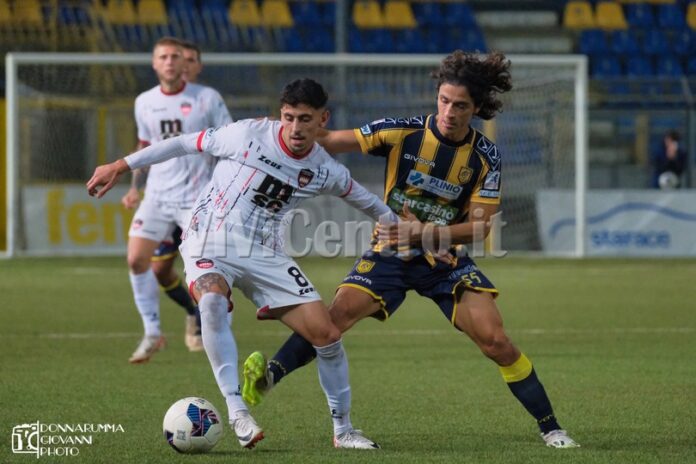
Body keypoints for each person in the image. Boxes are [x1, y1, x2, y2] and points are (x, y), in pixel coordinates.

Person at [242, 50, 580, 449]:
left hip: (446, 261)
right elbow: (330, 139)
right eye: (443, 100)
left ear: (476, 109)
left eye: (460, 106)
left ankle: (551, 427)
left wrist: (423, 234)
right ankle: (268, 378)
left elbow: (479, 228)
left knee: (496, 342)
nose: (449, 111)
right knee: (332, 322)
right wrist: (279, 129)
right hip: (389, 255)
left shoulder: (486, 157)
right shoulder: (402, 132)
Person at [87, 78, 392, 450]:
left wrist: (418, 236)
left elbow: (373, 205)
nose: (295, 128)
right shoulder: (246, 134)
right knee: (212, 302)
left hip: (265, 252)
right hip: (209, 236)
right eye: (289, 117)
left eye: (305, 119)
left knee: (326, 335)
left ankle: (343, 432)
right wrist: (121, 164)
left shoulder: (326, 170)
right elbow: (183, 143)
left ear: (322, 119)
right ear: (281, 114)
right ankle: (237, 410)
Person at [119, 37, 232, 363]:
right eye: (163, 57)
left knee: (205, 269)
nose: (169, 62)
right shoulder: (144, 102)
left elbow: (228, 143)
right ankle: (152, 332)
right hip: (157, 195)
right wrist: (134, 186)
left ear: (186, 64)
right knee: (136, 260)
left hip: (197, 200)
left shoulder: (207, 98)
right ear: (154, 63)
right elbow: (145, 147)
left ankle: (213, 329)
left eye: (175, 57)